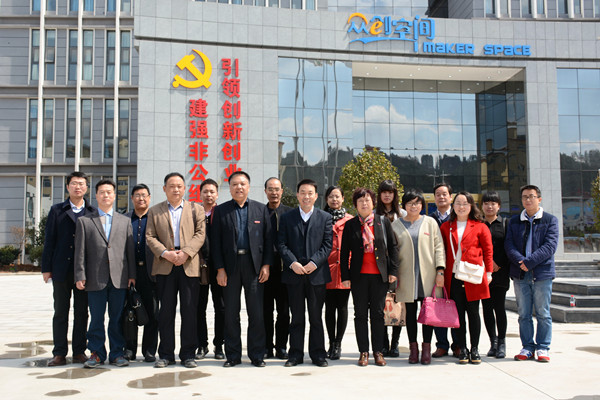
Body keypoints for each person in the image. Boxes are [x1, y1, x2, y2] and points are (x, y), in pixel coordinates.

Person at [211, 171, 272, 368]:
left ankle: (257, 354)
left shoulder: (260, 209)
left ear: (249, 187)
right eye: (235, 184)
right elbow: (215, 243)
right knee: (230, 312)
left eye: (242, 184)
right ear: (229, 188)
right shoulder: (221, 211)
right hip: (230, 267)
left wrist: (266, 265)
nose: (239, 187)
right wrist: (220, 269)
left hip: (254, 266)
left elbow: (268, 240)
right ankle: (233, 355)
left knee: (256, 312)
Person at [146, 172, 206, 368]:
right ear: (164, 189)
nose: (176, 189)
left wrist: (185, 253)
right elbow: (150, 236)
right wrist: (166, 253)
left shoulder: (196, 209)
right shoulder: (155, 211)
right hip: (165, 265)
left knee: (189, 311)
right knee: (166, 312)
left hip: (189, 265)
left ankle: (188, 354)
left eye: (179, 186)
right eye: (171, 186)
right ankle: (166, 355)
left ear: (184, 188)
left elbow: (200, 234)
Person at [74, 179, 136, 368]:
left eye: (109, 192)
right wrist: (80, 275)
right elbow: (80, 251)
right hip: (95, 278)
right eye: (102, 192)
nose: (106, 195)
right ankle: (97, 353)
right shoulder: (85, 221)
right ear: (96, 195)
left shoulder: (124, 221)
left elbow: (129, 251)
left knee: (116, 318)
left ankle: (117, 353)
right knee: (96, 319)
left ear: (114, 196)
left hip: (119, 278)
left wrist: (132, 275)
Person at [340, 188, 399, 367]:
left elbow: (393, 247)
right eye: (360, 201)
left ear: (373, 203)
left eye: (367, 200)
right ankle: (363, 352)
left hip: (379, 276)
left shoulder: (383, 221)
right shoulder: (350, 225)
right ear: (355, 205)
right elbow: (344, 252)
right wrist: (345, 276)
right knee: (360, 314)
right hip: (358, 277)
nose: (364, 204)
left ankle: (378, 351)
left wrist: (393, 272)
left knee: (378, 314)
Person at [42, 171, 95, 366]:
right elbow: (49, 240)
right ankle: (59, 353)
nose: (78, 187)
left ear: (86, 187)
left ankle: (79, 351)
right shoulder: (57, 210)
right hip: (61, 269)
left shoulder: (92, 212)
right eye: (74, 183)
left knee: (82, 312)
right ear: (67, 187)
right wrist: (46, 268)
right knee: (60, 312)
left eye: (81, 183)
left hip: (84, 271)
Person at [278, 179, 333, 367]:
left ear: (316, 196)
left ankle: (318, 355)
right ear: (297, 195)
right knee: (297, 317)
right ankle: (295, 354)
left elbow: (327, 245)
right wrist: (292, 263)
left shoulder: (325, 217)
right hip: (294, 275)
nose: (306, 196)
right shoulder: (287, 217)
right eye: (303, 192)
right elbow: (281, 244)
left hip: (316, 275)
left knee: (316, 317)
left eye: (310, 193)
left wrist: (314, 263)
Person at [505, 185, 559, 363]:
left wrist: (529, 262)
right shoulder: (514, 221)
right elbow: (509, 245)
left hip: (542, 274)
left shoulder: (550, 220)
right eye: (524, 197)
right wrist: (521, 261)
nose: (528, 200)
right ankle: (527, 347)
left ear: (539, 199)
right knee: (524, 314)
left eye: (531, 196)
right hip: (520, 274)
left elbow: (550, 246)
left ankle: (543, 347)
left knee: (543, 313)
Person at [391, 189, 445, 365]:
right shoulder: (396, 225)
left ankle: (426, 348)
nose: (413, 206)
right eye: (410, 203)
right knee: (410, 313)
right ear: (404, 205)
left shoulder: (430, 222)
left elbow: (439, 247)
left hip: (428, 276)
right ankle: (413, 349)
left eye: (417, 203)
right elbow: (392, 252)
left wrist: (440, 270)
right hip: (406, 276)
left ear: (422, 205)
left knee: (428, 313)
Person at [440, 191, 493, 364]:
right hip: (453, 276)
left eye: (465, 203)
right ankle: (462, 348)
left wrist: (489, 272)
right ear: (453, 206)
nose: (461, 207)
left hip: (473, 276)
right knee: (458, 314)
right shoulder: (446, 226)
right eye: (458, 203)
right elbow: (441, 251)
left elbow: (488, 251)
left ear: (471, 206)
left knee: (474, 313)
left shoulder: (480, 226)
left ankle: (475, 348)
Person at [125, 184, 159, 363]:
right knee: (129, 312)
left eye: (144, 195)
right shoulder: (124, 219)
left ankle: (149, 350)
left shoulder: (156, 218)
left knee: (152, 313)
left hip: (151, 272)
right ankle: (129, 349)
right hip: (129, 273)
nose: (141, 198)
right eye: (137, 195)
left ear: (149, 198)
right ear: (132, 198)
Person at [195, 178, 225, 361]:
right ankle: (202, 344)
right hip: (198, 267)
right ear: (200, 194)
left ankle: (219, 345)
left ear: (217, 194)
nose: (209, 195)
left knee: (221, 307)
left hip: (219, 267)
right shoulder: (194, 213)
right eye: (205, 191)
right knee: (199, 307)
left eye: (212, 191)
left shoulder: (222, 213)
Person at [263, 177, 292, 360]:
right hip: (265, 270)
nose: (274, 192)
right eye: (270, 189)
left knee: (284, 311)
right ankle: (267, 346)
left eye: (277, 189)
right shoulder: (259, 213)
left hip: (285, 270)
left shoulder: (290, 213)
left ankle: (281, 346)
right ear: (265, 191)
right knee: (265, 311)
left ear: (282, 191)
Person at [376, 179, 405, 357]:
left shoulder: (402, 214)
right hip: (379, 266)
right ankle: (384, 343)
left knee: (397, 304)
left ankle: (395, 343)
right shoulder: (374, 214)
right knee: (380, 305)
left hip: (399, 265)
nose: (387, 195)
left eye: (390, 192)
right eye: (384, 192)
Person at [323, 185, 353, 360]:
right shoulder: (321, 218)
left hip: (344, 270)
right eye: (331, 196)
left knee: (342, 307)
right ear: (326, 199)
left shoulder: (351, 220)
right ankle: (331, 342)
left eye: (337, 196)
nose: (334, 199)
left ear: (342, 199)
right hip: (326, 269)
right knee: (329, 308)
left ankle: (338, 344)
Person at [429, 182, 457, 358]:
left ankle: (458, 344)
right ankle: (441, 345)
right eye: (438, 194)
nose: (441, 197)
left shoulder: (458, 216)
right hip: (436, 270)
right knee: (438, 306)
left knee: (456, 306)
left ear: (451, 197)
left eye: (444, 194)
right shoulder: (430, 219)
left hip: (455, 270)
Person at [481, 191, 510, 359]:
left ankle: (502, 342)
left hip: (501, 273)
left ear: (499, 206)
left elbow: (509, 247)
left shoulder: (505, 224)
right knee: (486, 309)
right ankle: (492, 342)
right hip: (483, 273)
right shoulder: (479, 224)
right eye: (486, 203)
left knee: (499, 308)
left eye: (493, 203)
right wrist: (487, 264)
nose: (489, 206)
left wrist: (498, 264)